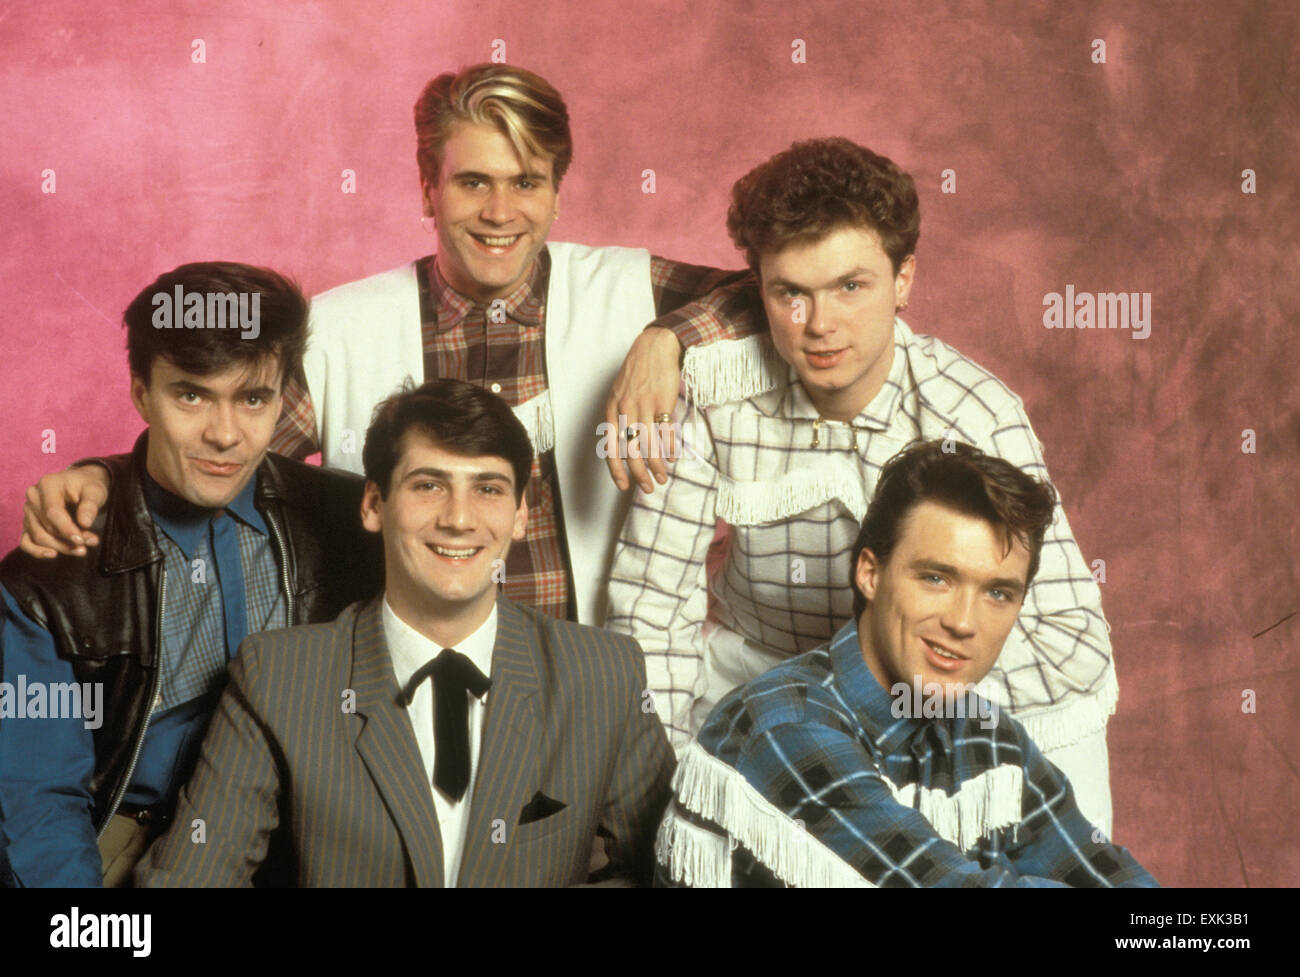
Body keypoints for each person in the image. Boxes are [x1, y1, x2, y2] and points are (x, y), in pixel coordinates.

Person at [16, 62, 753, 628]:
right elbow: (222, 452)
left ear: (558, 191)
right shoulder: (340, 327)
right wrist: (106, 477)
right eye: (472, 182)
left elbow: (780, 295)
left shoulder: (631, 291)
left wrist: (667, 339)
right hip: (400, 699)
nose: (501, 212)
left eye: (526, 182)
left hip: (593, 690)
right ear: (428, 189)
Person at [606, 137, 1118, 834]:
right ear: (758, 288)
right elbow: (651, 611)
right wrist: (661, 794)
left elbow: (1069, 636)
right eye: (791, 292)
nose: (820, 326)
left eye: (852, 286)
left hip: (930, 692)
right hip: (752, 679)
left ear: (904, 278)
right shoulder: (714, 391)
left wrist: (911, 707)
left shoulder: (973, 413)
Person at [136, 380, 674, 887]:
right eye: (429, 485)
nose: (459, 519)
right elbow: (190, 878)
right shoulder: (279, 677)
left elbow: (661, 872)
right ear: (374, 505)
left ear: (519, 516)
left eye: (487, 488)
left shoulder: (603, 673)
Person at [0, 262, 383, 887]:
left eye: (253, 398)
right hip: (126, 836)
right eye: (191, 395)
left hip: (303, 839)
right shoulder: (52, 576)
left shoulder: (347, 523)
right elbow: (38, 799)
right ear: (140, 390)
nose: (225, 434)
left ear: (284, 396)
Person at [656, 439, 1156, 887]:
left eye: (998, 592)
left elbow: (1106, 874)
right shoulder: (782, 723)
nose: (964, 622)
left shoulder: (988, 737)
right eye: (936, 578)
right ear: (870, 574)